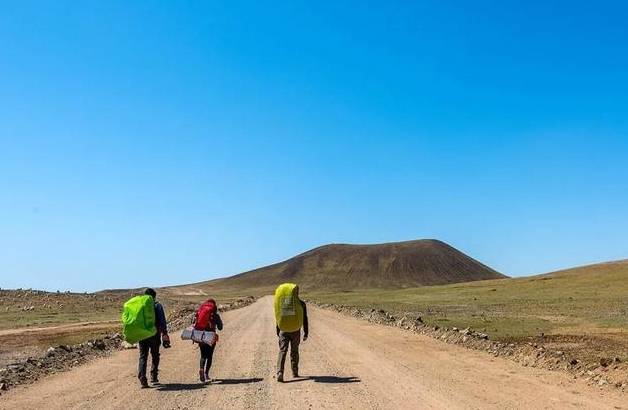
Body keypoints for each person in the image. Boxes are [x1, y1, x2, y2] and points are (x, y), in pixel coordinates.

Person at [275, 284, 309, 383]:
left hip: (283, 330)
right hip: (295, 331)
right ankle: (295, 372)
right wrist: (306, 332)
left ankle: (280, 372)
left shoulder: (283, 304)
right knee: (294, 351)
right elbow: (304, 318)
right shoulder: (301, 304)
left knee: (282, 351)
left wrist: (278, 330)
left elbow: (278, 317)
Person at [138, 288, 170, 388]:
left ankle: (142, 377)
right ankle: (153, 376)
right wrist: (164, 333)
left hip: (142, 334)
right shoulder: (157, 305)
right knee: (155, 354)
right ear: (154, 296)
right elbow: (162, 321)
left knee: (143, 356)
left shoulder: (140, 305)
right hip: (154, 334)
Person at [193, 298, 223, 383]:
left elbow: (194, 323)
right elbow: (220, 328)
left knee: (203, 355)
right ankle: (206, 374)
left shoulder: (200, 313)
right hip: (211, 337)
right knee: (209, 356)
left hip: (201, 336)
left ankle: (201, 369)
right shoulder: (215, 315)